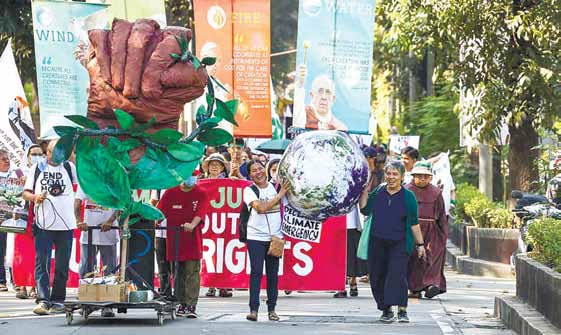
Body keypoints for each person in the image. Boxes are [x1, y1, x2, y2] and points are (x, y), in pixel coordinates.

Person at [359, 160, 426, 323]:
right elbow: (364, 209)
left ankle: (402, 309)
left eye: (395, 174)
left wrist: (420, 245)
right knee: (377, 276)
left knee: (396, 274)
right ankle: (386, 309)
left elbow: (414, 223)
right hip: (377, 242)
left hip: (400, 243)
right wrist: (364, 192)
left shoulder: (408, 197)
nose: (391, 177)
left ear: (402, 177)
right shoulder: (378, 192)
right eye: (388, 173)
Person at [22, 140, 77, 315]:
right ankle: (44, 300)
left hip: (66, 224)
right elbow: (25, 193)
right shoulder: (37, 168)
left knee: (62, 264)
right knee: (42, 263)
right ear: (49, 152)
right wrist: (35, 197)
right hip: (43, 224)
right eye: (55, 151)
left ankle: (58, 300)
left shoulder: (69, 167)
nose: (59, 154)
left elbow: (84, 184)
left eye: (62, 150)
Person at [244, 160, 289, 322]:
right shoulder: (249, 191)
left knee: (273, 275)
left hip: (275, 238)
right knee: (256, 273)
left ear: (266, 169)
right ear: (250, 175)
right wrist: (279, 195)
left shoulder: (275, 186)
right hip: (255, 237)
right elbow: (261, 208)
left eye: (261, 168)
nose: (259, 172)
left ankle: (272, 309)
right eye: (254, 170)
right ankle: (253, 309)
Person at [157, 173, 207, 318]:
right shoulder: (170, 192)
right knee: (178, 272)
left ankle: (191, 304)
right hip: (174, 240)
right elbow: (159, 212)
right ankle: (180, 303)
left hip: (192, 239)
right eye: (187, 175)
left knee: (192, 271)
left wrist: (192, 224)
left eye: (193, 176)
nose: (190, 178)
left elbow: (200, 212)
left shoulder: (201, 193)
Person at [405, 161, 448, 299]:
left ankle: (431, 285)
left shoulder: (436, 192)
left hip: (432, 231)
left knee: (432, 257)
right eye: (419, 176)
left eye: (425, 176)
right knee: (413, 259)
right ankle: (414, 288)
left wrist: (443, 233)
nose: (422, 179)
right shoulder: (406, 190)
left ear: (430, 177)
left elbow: (441, 214)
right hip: (411, 229)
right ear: (413, 176)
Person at [75, 185, 119, 317]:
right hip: (88, 233)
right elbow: (77, 202)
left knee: (109, 270)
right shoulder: (86, 180)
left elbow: (121, 204)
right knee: (86, 270)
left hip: (108, 233)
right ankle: (86, 303)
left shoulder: (113, 180)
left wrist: (111, 221)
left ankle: (108, 305)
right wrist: (79, 221)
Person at [202, 153, 232, 297]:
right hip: (206, 224)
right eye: (211, 164)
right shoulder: (200, 182)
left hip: (223, 224)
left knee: (223, 255)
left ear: (222, 168)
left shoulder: (229, 182)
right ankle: (211, 285)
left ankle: (223, 285)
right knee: (209, 256)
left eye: (217, 164)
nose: (214, 167)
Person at [293, 65, 347, 131]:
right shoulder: (302, 115)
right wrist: (300, 84)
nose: (324, 97)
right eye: (320, 91)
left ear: (333, 99)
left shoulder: (339, 128)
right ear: (312, 95)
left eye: (328, 92)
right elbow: (298, 119)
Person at [334, 207, 368, 298]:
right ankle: (341, 286)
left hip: (353, 224)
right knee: (338, 256)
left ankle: (352, 282)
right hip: (337, 223)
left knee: (352, 255)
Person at [150, 189, 174, 300]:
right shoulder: (158, 186)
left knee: (175, 266)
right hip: (160, 232)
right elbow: (153, 203)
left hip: (175, 231)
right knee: (162, 265)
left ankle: (178, 294)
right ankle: (165, 292)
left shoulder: (178, 184)